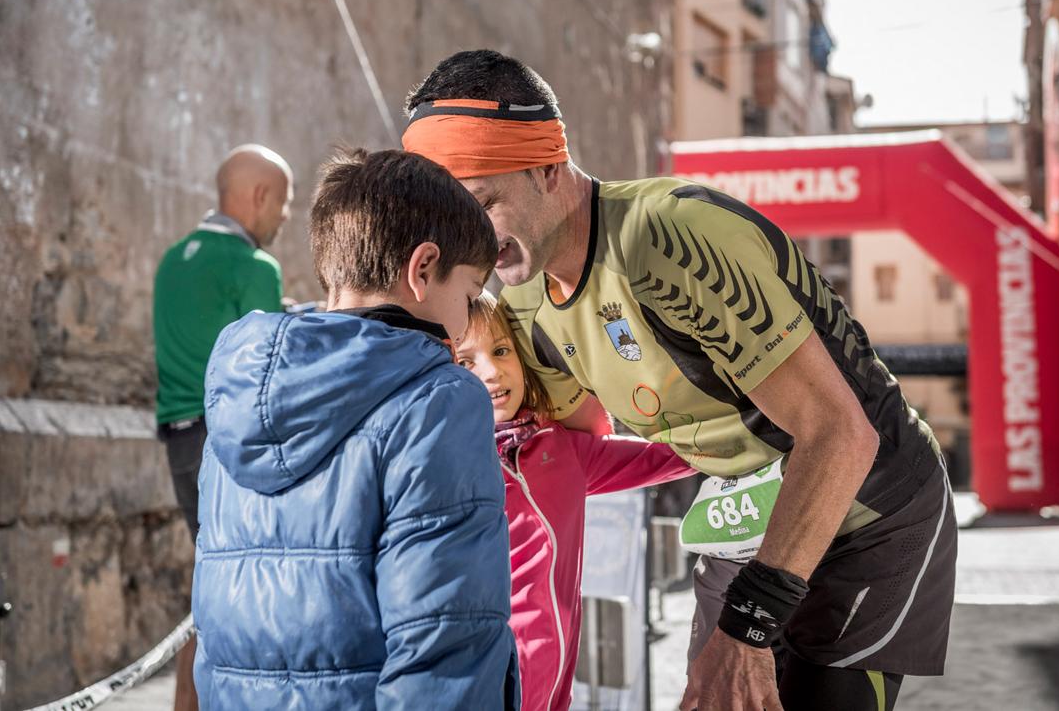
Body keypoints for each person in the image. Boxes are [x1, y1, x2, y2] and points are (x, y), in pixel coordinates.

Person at [402, 50, 957, 711]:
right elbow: (563, 463)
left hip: (865, 505)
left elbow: (840, 434)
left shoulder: (670, 236)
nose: (476, 238)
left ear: (550, 166)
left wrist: (749, 627)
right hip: (745, 515)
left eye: (485, 203)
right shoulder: (522, 301)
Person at [191, 148, 519, 710]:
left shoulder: (235, 398)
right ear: (423, 269)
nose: (465, 329)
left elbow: (216, 636)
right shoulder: (439, 401)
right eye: (468, 295)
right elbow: (444, 645)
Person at [456, 293, 694, 711]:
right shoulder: (447, 470)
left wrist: (752, 422)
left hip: (558, 687)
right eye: (465, 362)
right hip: (489, 688)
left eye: (500, 350)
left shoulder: (562, 450)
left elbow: (673, 456)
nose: (492, 372)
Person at [151, 143, 293, 711]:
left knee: (208, 587)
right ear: (258, 196)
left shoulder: (172, 258)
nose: (284, 216)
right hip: (228, 446)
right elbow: (273, 370)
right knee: (241, 595)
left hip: (180, 441)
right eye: (282, 203)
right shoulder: (254, 266)